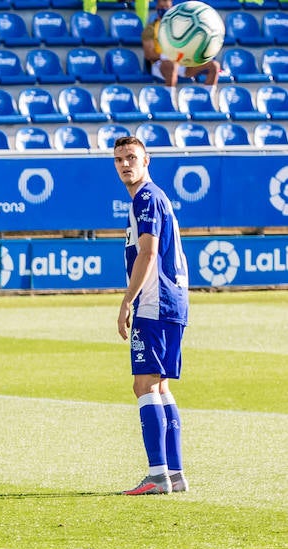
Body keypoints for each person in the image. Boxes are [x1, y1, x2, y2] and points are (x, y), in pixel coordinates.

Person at [113, 136, 189, 495]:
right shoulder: (155, 197)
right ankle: (174, 473)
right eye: (119, 159)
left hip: (154, 303)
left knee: (143, 385)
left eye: (131, 158)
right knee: (160, 387)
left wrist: (128, 300)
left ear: (147, 161)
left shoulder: (146, 197)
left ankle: (158, 475)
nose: (125, 164)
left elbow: (148, 252)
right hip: (173, 303)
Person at [142, 0, 220, 89]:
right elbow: (149, 55)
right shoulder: (150, 28)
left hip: (181, 62)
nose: (165, 10)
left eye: (167, 8)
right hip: (159, 64)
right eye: (162, 8)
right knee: (172, 65)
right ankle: (170, 97)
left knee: (214, 66)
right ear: (157, 8)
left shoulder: (180, 26)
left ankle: (209, 97)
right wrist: (169, 56)